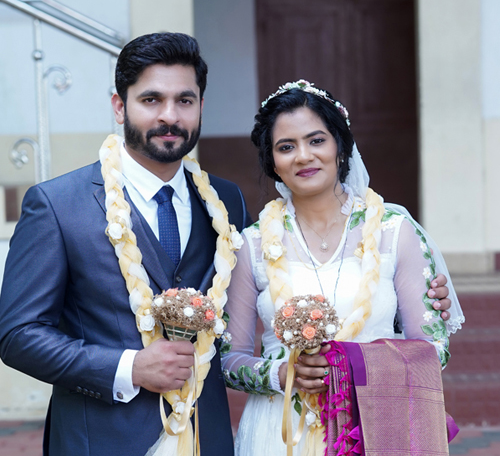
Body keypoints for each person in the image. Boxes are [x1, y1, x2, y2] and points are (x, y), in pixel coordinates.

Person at [0, 32, 251, 456]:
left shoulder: (226, 200)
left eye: (185, 101)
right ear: (120, 106)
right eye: (151, 100)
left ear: (201, 107)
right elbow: (18, 335)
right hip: (99, 441)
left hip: (206, 439)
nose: (169, 116)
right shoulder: (58, 205)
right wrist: (129, 368)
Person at [221, 80, 464, 455]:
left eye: (317, 140)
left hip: (378, 422)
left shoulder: (393, 230)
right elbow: (228, 358)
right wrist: (281, 373)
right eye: (286, 147)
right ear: (272, 161)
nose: (303, 156)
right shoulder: (251, 245)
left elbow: (434, 348)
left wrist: (349, 366)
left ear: (340, 146)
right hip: (279, 430)